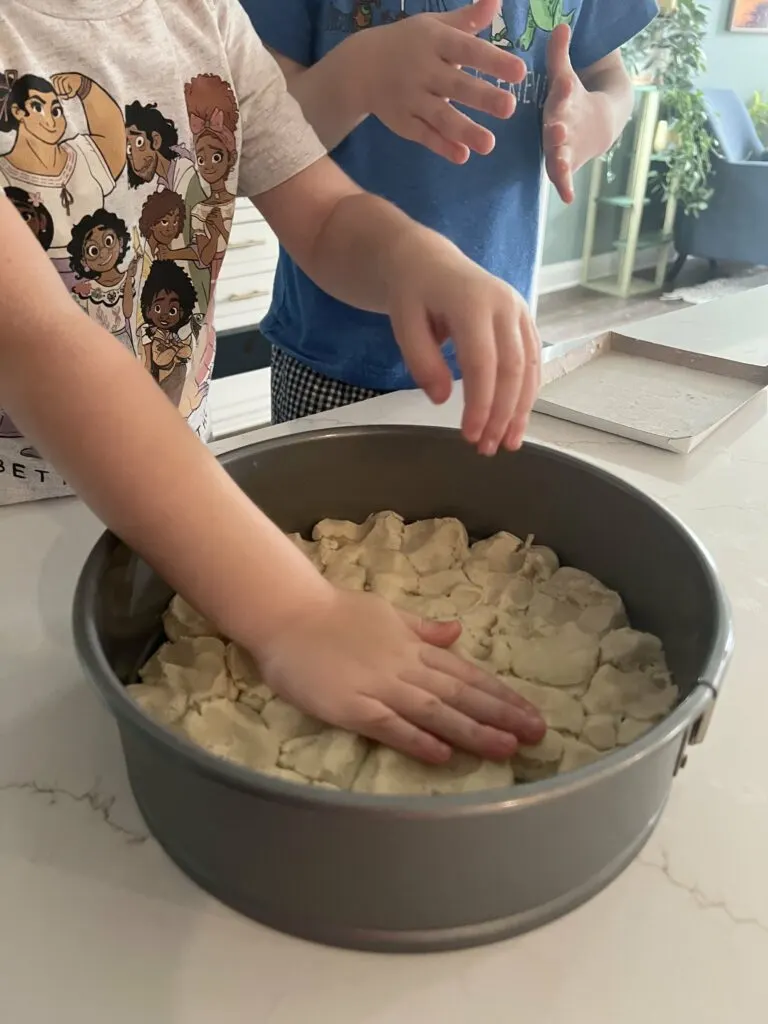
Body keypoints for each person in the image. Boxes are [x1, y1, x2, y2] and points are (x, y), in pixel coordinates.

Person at [0, 0, 545, 764]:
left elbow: (323, 215)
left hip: (172, 499)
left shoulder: (206, 15)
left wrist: (415, 260)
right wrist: (296, 610)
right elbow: (33, 341)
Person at [241, 0, 655, 422]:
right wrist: (358, 76)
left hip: (496, 352)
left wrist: (597, 118)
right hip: (331, 351)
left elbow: (609, 77)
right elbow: (259, 134)